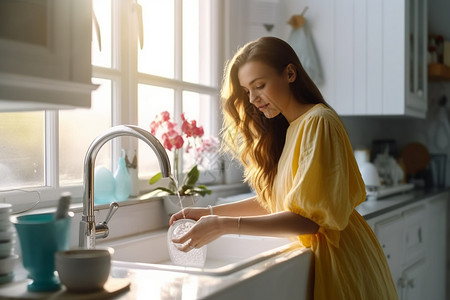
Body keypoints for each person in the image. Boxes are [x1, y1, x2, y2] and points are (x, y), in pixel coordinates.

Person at [169, 36, 398, 299]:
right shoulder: (294, 128)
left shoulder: (318, 122)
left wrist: (223, 225)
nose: (253, 98)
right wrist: (208, 212)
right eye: (247, 91)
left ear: (290, 73)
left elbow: (308, 220)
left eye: (260, 85)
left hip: (339, 262)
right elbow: (279, 201)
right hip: (325, 257)